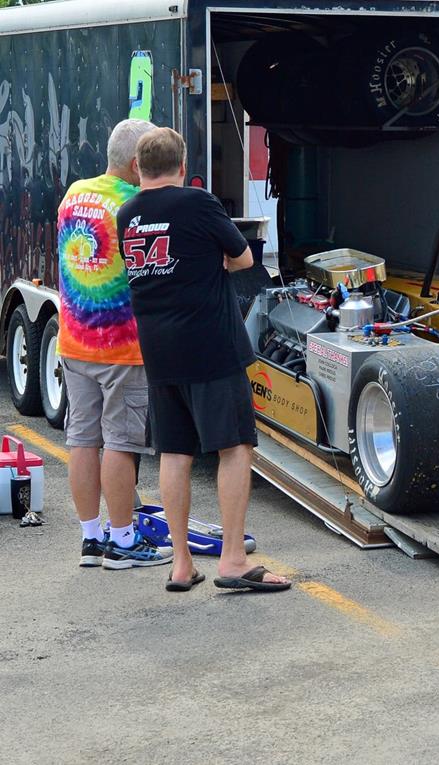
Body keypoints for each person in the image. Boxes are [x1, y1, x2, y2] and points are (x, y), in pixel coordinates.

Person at [117, 127, 290, 593]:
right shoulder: (198, 202)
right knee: (234, 446)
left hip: (159, 350)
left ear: (137, 168)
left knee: (175, 452)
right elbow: (244, 258)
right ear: (183, 165)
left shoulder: (126, 215)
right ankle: (232, 560)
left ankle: (181, 564)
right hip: (210, 345)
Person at [57, 118, 173, 570]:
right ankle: (123, 540)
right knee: (121, 443)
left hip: (74, 340)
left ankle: (92, 539)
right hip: (121, 347)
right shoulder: (135, 204)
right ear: (136, 164)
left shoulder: (73, 194)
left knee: (82, 440)